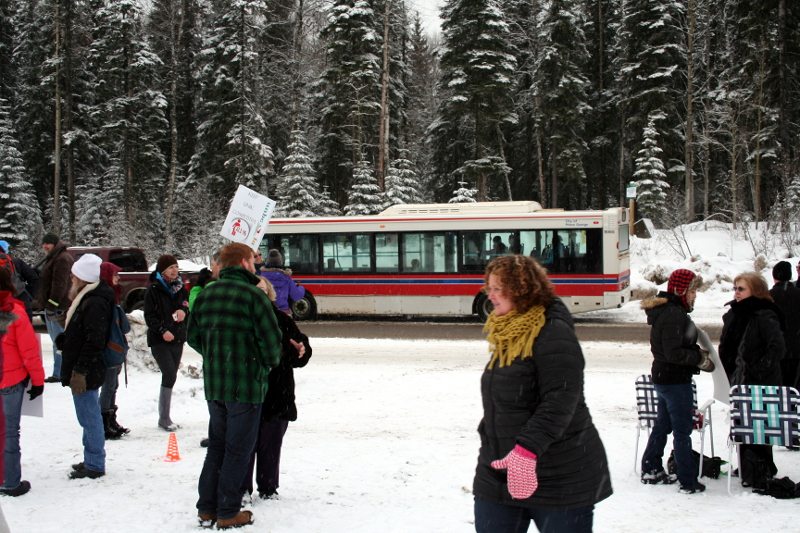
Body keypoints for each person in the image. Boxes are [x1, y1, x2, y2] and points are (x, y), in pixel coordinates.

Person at [473, 255, 612, 533]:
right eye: (489, 288)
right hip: (499, 472)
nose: (491, 295)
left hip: (560, 476)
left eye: (499, 288)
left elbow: (561, 399)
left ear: (521, 289)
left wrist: (525, 451)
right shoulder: (506, 332)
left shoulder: (552, 331)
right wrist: (490, 438)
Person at [188, 243, 282, 529]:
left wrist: (216, 356)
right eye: (253, 261)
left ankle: (207, 508)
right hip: (246, 386)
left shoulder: (205, 296)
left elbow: (193, 338)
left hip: (215, 386)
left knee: (216, 446)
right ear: (243, 263)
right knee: (238, 450)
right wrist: (260, 363)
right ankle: (228, 512)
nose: (256, 265)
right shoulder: (254, 297)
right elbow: (272, 345)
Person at [639, 269, 712, 494]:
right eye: (691, 290)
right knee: (682, 430)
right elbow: (673, 353)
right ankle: (687, 480)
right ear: (680, 290)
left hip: (664, 378)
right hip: (674, 380)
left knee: (663, 424)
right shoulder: (673, 314)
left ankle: (651, 467)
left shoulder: (668, 311)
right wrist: (698, 357)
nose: (694, 295)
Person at [243, 277, 311, 500]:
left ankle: (268, 487)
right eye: (256, 290)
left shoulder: (282, 319)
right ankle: (242, 489)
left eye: (264, 290)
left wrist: (302, 349)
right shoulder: (242, 320)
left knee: (271, 446)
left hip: (277, 393)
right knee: (245, 445)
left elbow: (300, 350)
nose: (261, 294)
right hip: (248, 391)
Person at [719, 272, 785, 489]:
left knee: (759, 425)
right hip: (738, 378)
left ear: (755, 291)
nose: (736, 293)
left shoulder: (764, 314)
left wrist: (759, 370)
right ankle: (747, 465)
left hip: (760, 380)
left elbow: (777, 348)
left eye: (741, 289)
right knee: (742, 424)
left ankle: (761, 467)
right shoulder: (735, 314)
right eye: (735, 288)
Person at [57, 253, 114, 480]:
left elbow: (94, 340)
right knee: (87, 416)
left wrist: (79, 370)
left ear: (82, 278)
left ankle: (95, 463)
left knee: (89, 417)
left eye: (74, 276)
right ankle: (91, 458)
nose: (71, 279)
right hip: (86, 367)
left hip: (87, 369)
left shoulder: (94, 302)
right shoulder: (88, 298)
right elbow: (84, 335)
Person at [0, 268, 44, 496]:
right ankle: (9, 480)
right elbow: (29, 352)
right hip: (10, 380)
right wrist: (38, 381)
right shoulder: (15, 311)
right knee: (9, 432)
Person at [144, 254, 189, 431]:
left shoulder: (180, 288)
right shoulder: (154, 289)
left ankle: (165, 415)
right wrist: (162, 331)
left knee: (172, 375)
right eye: (171, 268)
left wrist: (184, 311)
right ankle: (164, 417)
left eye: (176, 267)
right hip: (159, 339)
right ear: (162, 270)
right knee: (169, 373)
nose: (174, 270)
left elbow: (185, 305)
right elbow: (149, 316)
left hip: (177, 337)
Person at [32, 233, 74, 383]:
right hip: (54, 306)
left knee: (59, 341)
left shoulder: (61, 259)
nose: (45, 246)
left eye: (48, 243)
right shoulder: (55, 257)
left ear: (55, 244)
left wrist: (51, 304)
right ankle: (61, 371)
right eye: (43, 243)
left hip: (58, 308)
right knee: (58, 341)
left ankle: (60, 373)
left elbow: (60, 285)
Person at [98, 262, 131, 439]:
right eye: (115, 274)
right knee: (108, 386)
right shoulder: (107, 299)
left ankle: (111, 419)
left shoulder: (114, 297)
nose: (118, 278)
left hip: (116, 350)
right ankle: (104, 421)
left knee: (113, 386)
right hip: (110, 350)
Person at [769, 261, 800, 392]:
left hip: (776, 350)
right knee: (794, 386)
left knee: (779, 388)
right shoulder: (798, 293)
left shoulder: (768, 296)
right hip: (796, 349)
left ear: (774, 276)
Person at [0, 240, 39, 321]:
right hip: (21, 301)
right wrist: (30, 295)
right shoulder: (16, 262)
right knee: (24, 330)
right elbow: (34, 278)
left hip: (3, 307)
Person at [261, 249, 305, 315]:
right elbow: (296, 296)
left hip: (267, 313)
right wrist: (301, 287)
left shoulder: (261, 277)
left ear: (267, 261)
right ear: (280, 261)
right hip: (284, 312)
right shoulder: (286, 277)